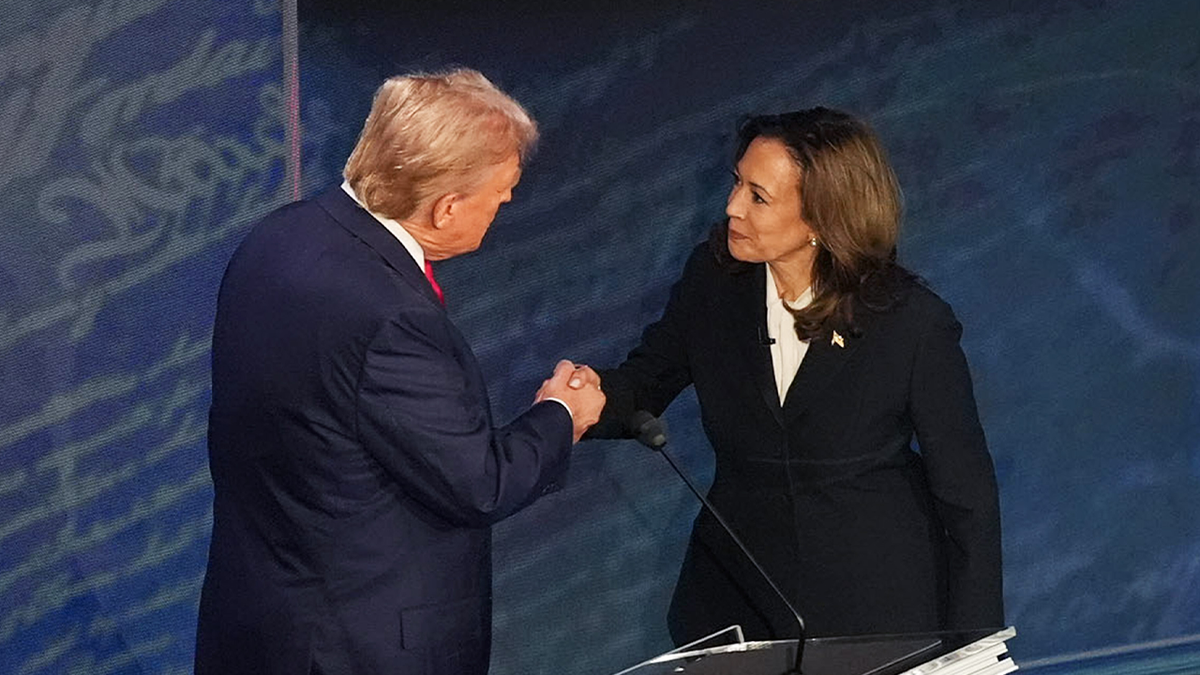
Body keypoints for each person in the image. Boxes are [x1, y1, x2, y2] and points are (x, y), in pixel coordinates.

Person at [194, 69, 605, 675]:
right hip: (357, 648)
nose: (508, 202)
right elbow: (480, 483)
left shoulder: (277, 237)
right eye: (502, 192)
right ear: (445, 208)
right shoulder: (392, 317)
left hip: (260, 628)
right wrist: (561, 416)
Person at [586, 107, 1003, 643]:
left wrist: (974, 647)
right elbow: (645, 382)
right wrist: (581, 401)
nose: (732, 207)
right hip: (738, 603)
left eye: (758, 196)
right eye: (737, 184)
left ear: (821, 217)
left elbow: (967, 496)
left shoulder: (911, 324)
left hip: (875, 608)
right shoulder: (714, 283)